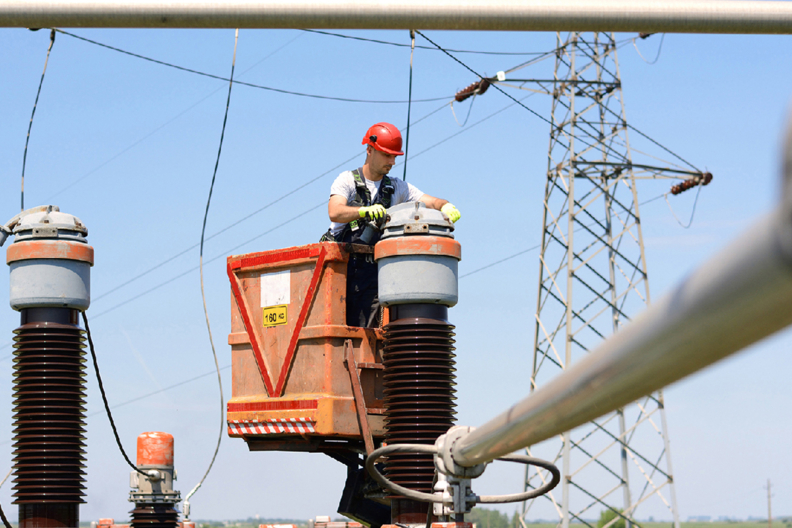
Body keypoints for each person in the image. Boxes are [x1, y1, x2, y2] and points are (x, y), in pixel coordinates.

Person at [321, 122, 461, 327]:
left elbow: (430, 201)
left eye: (395, 156)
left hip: (373, 277)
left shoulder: (396, 187)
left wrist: (445, 205)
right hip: (341, 274)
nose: (392, 161)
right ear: (369, 150)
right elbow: (335, 212)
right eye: (387, 155)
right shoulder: (348, 180)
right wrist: (362, 211)